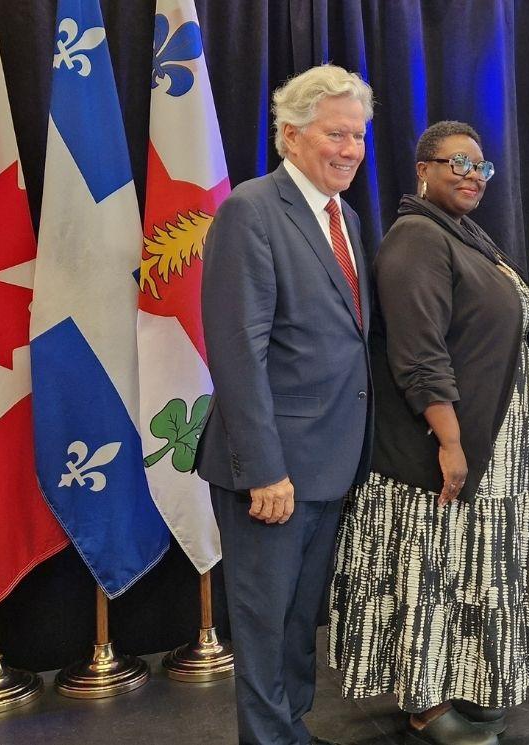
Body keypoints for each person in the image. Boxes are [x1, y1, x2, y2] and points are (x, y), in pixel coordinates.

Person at [329, 121, 529, 745]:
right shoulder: (416, 238)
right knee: (430, 574)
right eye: (459, 162)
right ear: (423, 167)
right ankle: (422, 703)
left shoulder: (466, 235)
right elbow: (418, 356)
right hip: (440, 450)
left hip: (494, 447)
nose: (474, 175)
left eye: (482, 166)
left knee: (465, 573)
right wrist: (451, 442)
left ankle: (460, 680)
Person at [197, 64, 375, 745]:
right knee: (266, 621)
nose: (350, 149)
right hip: (272, 470)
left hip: (331, 460)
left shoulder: (346, 216)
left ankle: (291, 729)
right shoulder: (251, 210)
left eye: (358, 135)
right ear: (290, 135)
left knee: (300, 618)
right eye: (336, 133)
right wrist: (263, 469)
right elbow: (238, 351)